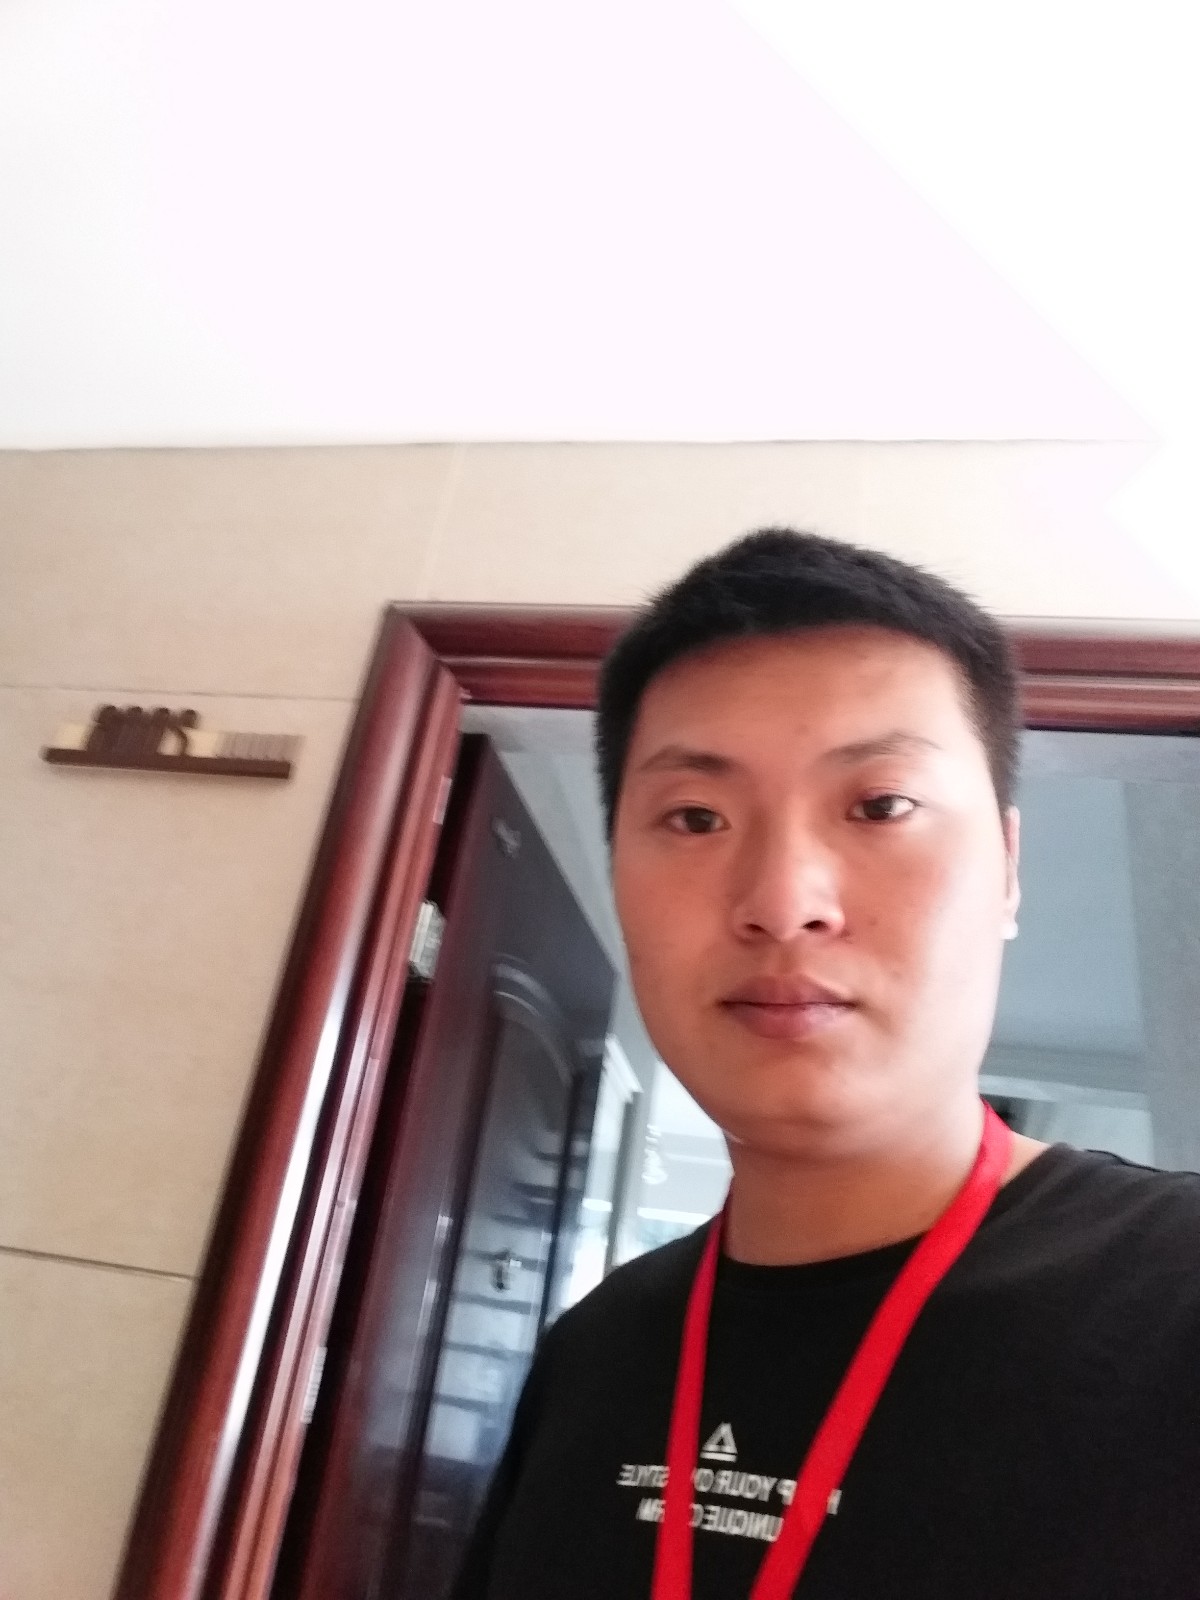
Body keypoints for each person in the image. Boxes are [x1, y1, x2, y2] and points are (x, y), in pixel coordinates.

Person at [451, 528, 1200, 1599]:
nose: (782, 900)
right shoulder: (595, 1350)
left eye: (880, 805)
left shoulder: (1173, 1300)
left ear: (1007, 869)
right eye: (695, 817)